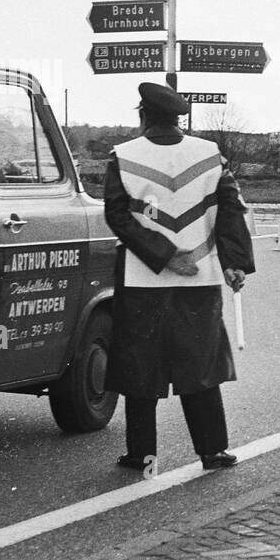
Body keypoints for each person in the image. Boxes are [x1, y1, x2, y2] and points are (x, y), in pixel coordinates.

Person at [102, 81, 254, 471]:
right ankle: (213, 450)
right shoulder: (211, 155)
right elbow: (231, 209)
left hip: (142, 280)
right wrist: (234, 262)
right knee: (200, 367)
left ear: (143, 115)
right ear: (179, 117)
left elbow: (117, 216)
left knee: (141, 370)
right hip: (199, 280)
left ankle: (142, 454)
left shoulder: (122, 156)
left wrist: (165, 255)